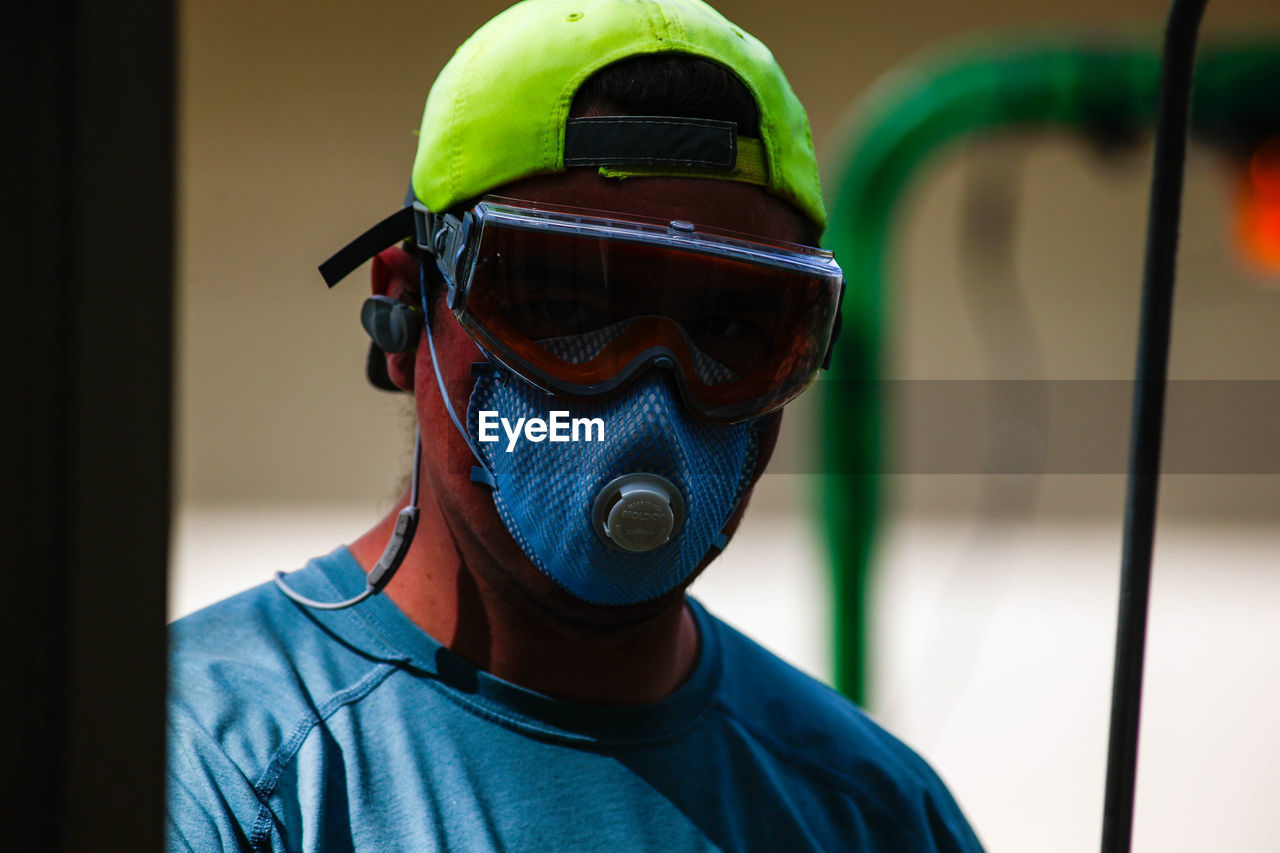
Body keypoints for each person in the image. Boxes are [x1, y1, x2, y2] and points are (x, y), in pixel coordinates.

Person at [166, 0, 984, 850]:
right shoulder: (205, 770)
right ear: (403, 305)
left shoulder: (875, 812)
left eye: (733, 328)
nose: (651, 400)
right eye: (563, 305)